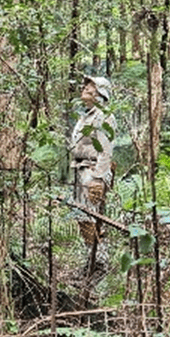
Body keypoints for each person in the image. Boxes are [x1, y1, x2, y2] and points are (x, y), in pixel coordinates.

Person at [70, 74, 115, 252]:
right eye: (86, 86)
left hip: (92, 172)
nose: (86, 88)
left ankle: (100, 258)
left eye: (91, 87)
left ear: (100, 94)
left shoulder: (104, 117)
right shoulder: (86, 117)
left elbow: (106, 149)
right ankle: (91, 258)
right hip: (80, 170)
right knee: (82, 217)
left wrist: (98, 179)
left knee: (91, 218)